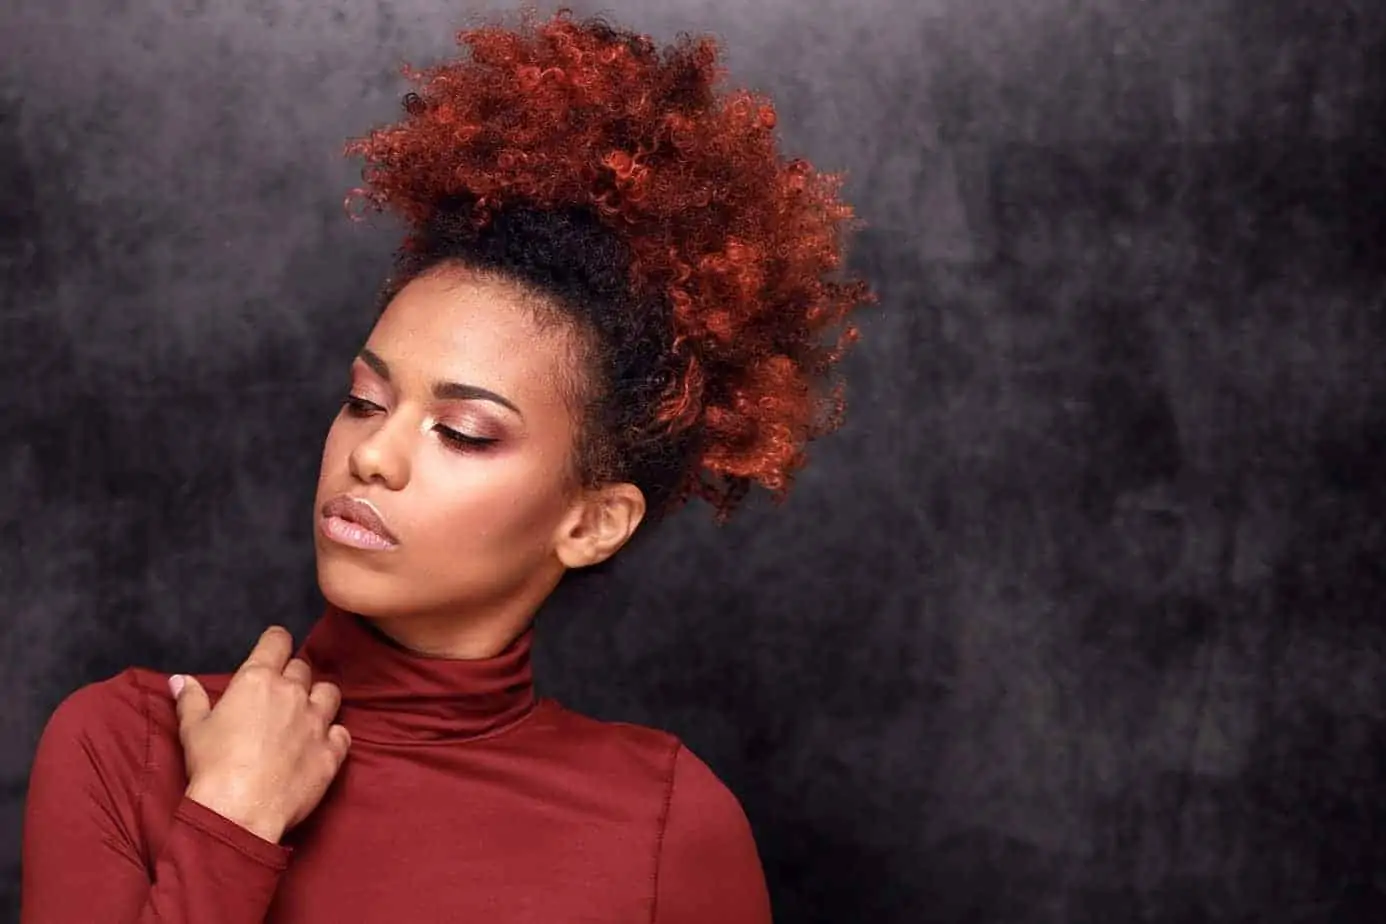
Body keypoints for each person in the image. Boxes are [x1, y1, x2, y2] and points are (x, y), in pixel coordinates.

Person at [20, 9, 872, 923]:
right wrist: (232, 817)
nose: (372, 455)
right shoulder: (129, 743)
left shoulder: (670, 825)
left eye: (460, 431)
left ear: (591, 523)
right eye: (364, 401)